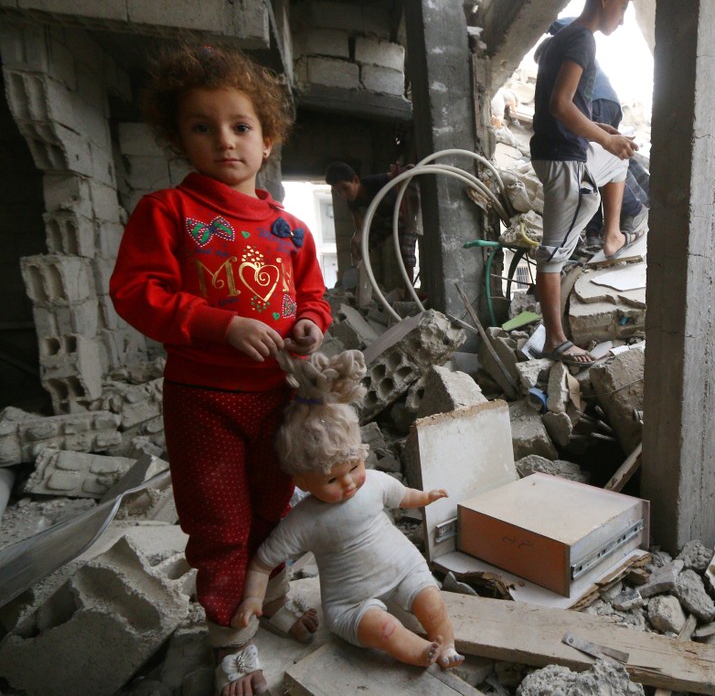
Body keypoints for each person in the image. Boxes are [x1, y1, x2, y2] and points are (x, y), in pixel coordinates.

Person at [109, 44, 333, 696]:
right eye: (201, 126)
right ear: (179, 137)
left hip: (278, 399)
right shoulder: (167, 213)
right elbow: (135, 292)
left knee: (275, 511)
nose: (223, 141)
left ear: (269, 138)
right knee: (220, 523)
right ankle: (231, 635)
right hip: (203, 400)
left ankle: (276, 596)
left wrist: (310, 323)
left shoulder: (291, 231)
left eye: (240, 126)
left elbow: (314, 293)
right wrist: (221, 324)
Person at [232, 349, 465, 672]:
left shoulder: (373, 482)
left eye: (354, 466)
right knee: (383, 630)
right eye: (331, 478)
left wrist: (426, 496)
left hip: (404, 570)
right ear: (301, 480)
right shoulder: (304, 520)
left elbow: (402, 496)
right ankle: (418, 652)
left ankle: (447, 644)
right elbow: (262, 562)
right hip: (350, 602)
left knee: (432, 602)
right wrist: (253, 599)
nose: (348, 483)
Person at [529, 0, 644, 366]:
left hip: (563, 151)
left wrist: (603, 131)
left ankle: (612, 236)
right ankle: (556, 342)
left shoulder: (566, 36)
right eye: (623, 8)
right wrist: (603, 139)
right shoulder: (582, 40)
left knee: (619, 160)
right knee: (553, 254)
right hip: (562, 159)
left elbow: (564, 103)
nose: (623, 20)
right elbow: (560, 106)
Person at [544, 17, 650, 249]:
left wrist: (603, 136)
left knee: (594, 162)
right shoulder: (571, 37)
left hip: (594, 102)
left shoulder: (568, 33)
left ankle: (631, 210)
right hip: (603, 101)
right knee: (597, 161)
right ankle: (596, 232)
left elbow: (561, 104)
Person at [324, 161, 419, 298]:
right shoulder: (351, 200)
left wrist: (405, 170)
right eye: (339, 191)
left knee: (405, 253)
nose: (343, 195)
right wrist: (356, 240)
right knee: (361, 246)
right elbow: (361, 228)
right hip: (385, 220)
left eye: (345, 188)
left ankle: (409, 297)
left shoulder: (374, 181)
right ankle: (361, 291)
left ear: (355, 180)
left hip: (404, 215)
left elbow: (398, 175)